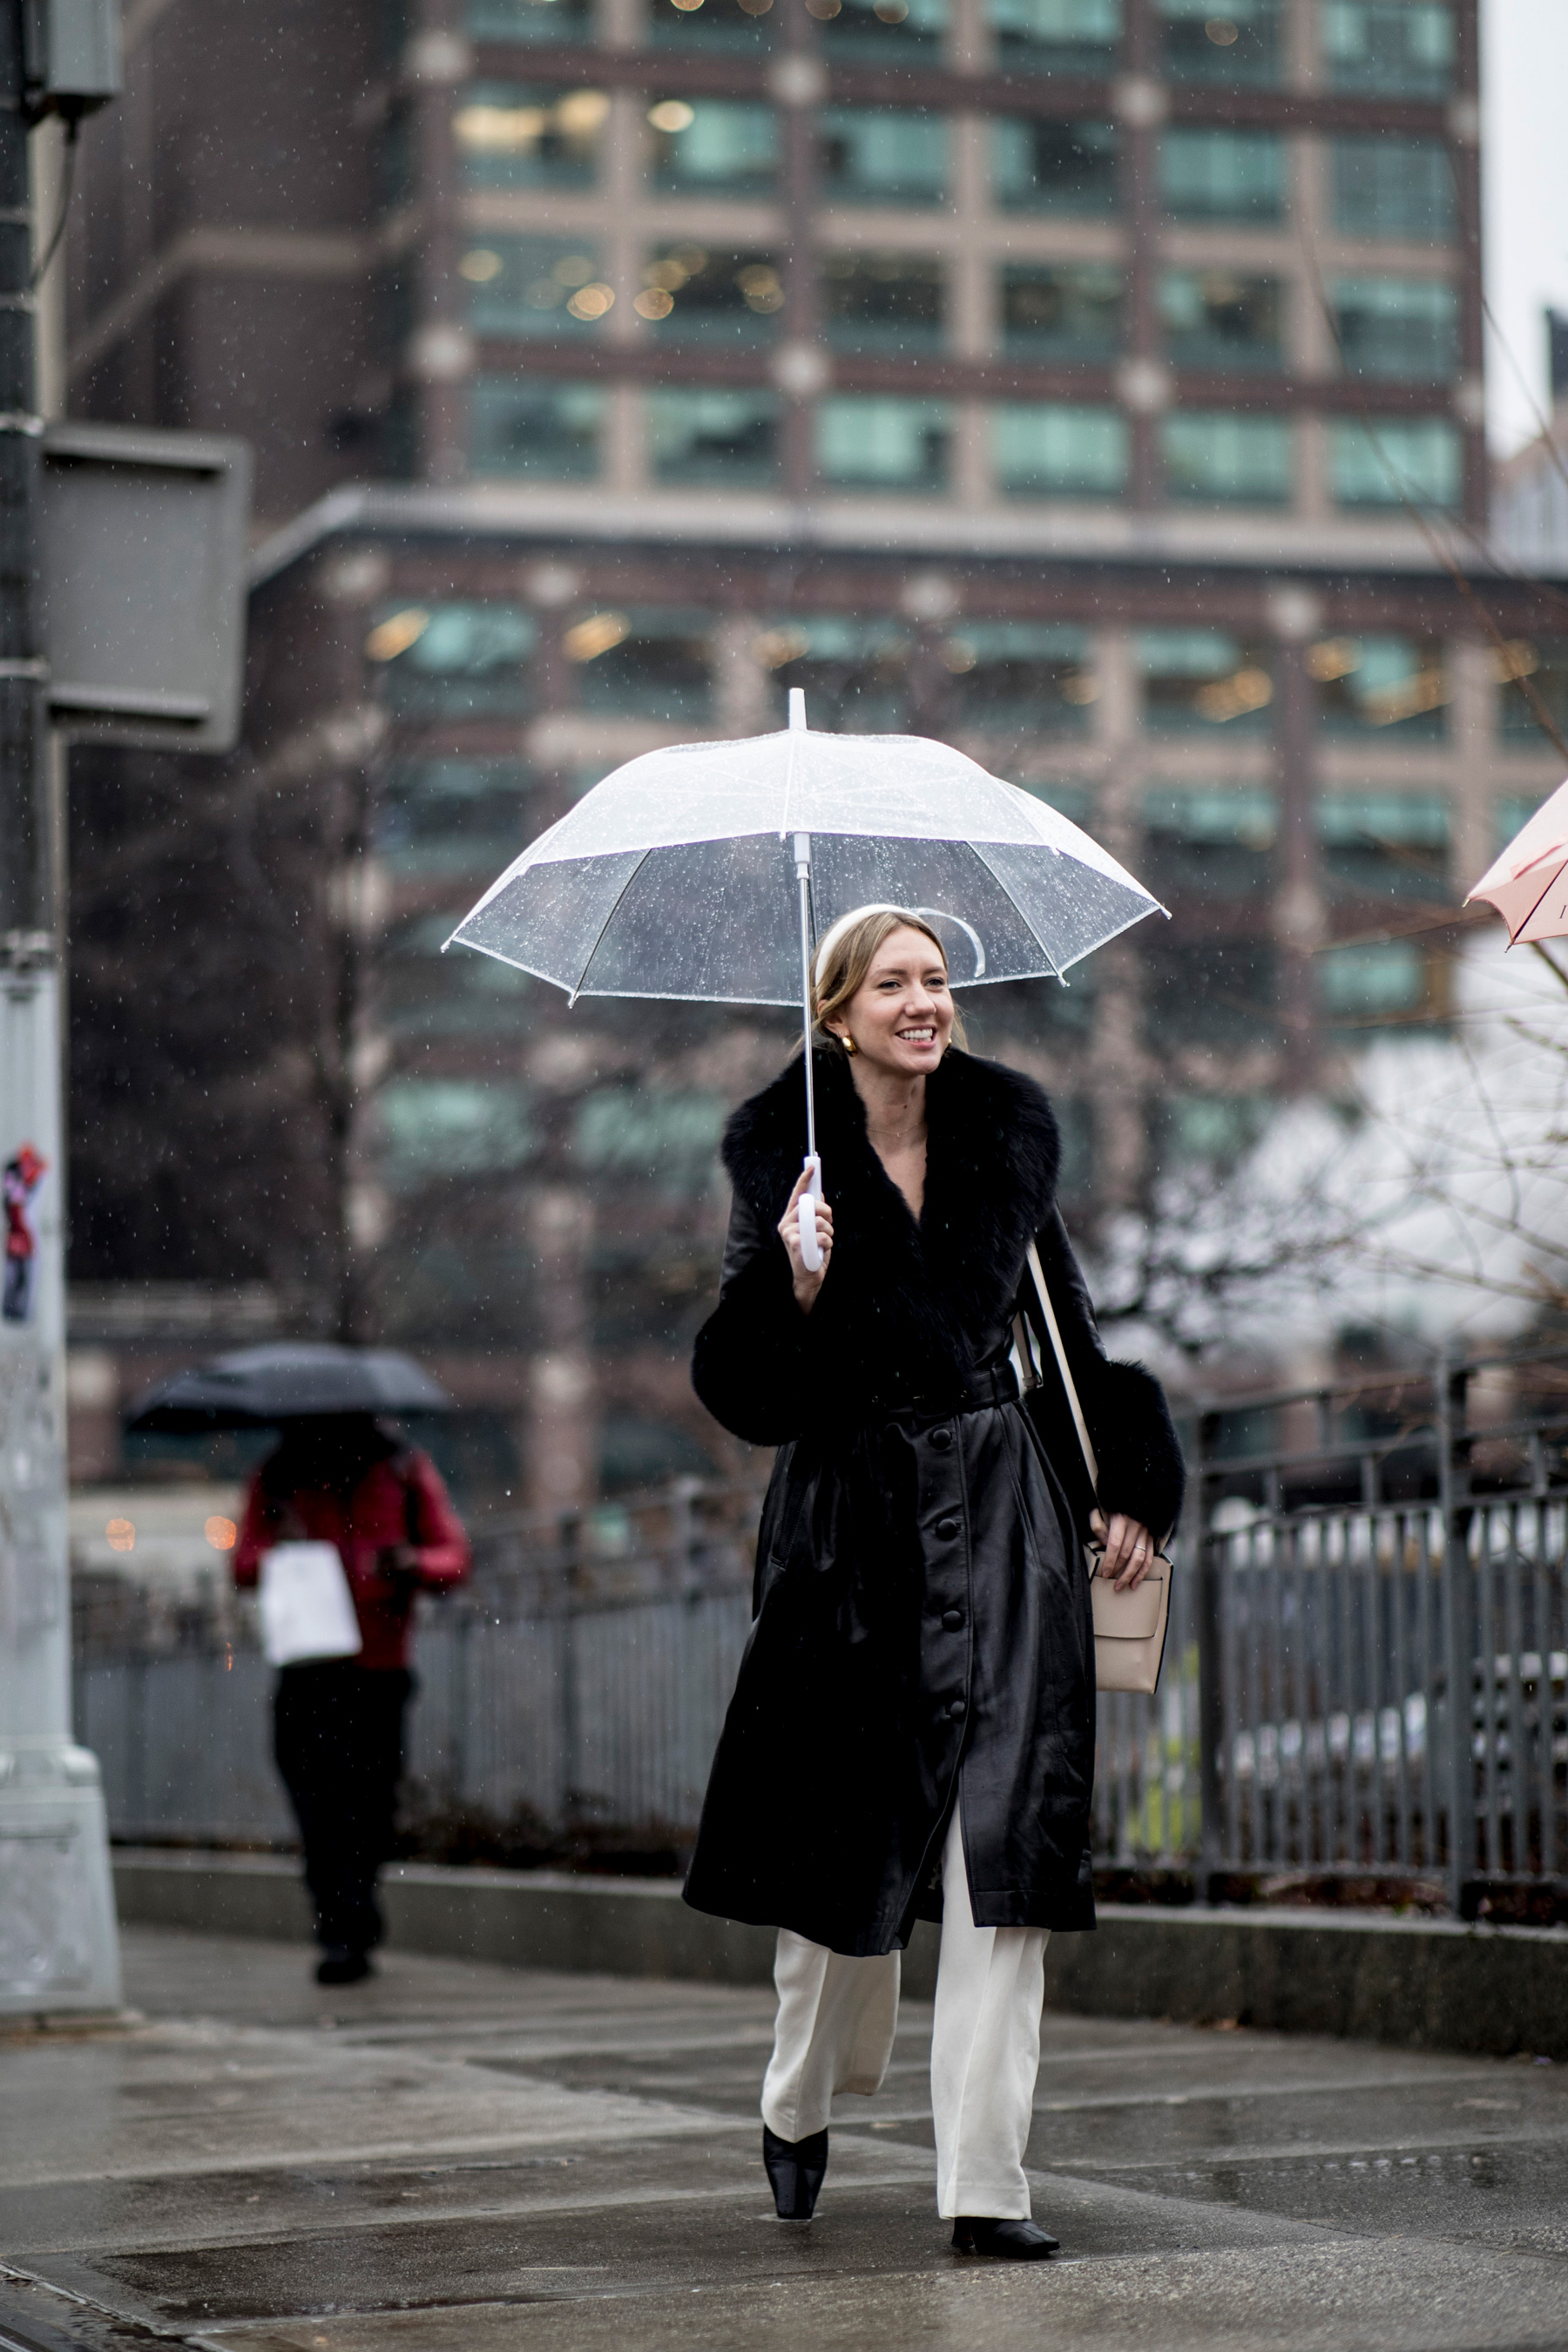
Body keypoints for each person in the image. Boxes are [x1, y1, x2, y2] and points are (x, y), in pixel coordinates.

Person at [683, 907, 1185, 2258]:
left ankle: (986, 2187)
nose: (927, 1001)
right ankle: (797, 2100)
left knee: (1003, 1864)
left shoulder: (1007, 1137)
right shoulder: (783, 1162)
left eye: (939, 980)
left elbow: (1072, 1339)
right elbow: (744, 1393)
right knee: (843, 1882)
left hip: (1008, 1516)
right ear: (836, 1012)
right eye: (895, 982)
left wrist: (1129, 1481)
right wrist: (790, 1286)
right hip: (853, 1534)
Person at [233, 1413, 470, 1984]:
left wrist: (411, 1562)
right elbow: (242, 1564)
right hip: (309, 1671)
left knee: (372, 1807)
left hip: (379, 1670)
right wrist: (281, 1554)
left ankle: (354, 1914)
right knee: (319, 1810)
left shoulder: (403, 1470)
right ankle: (341, 1932)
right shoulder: (280, 1477)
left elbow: (452, 1557)